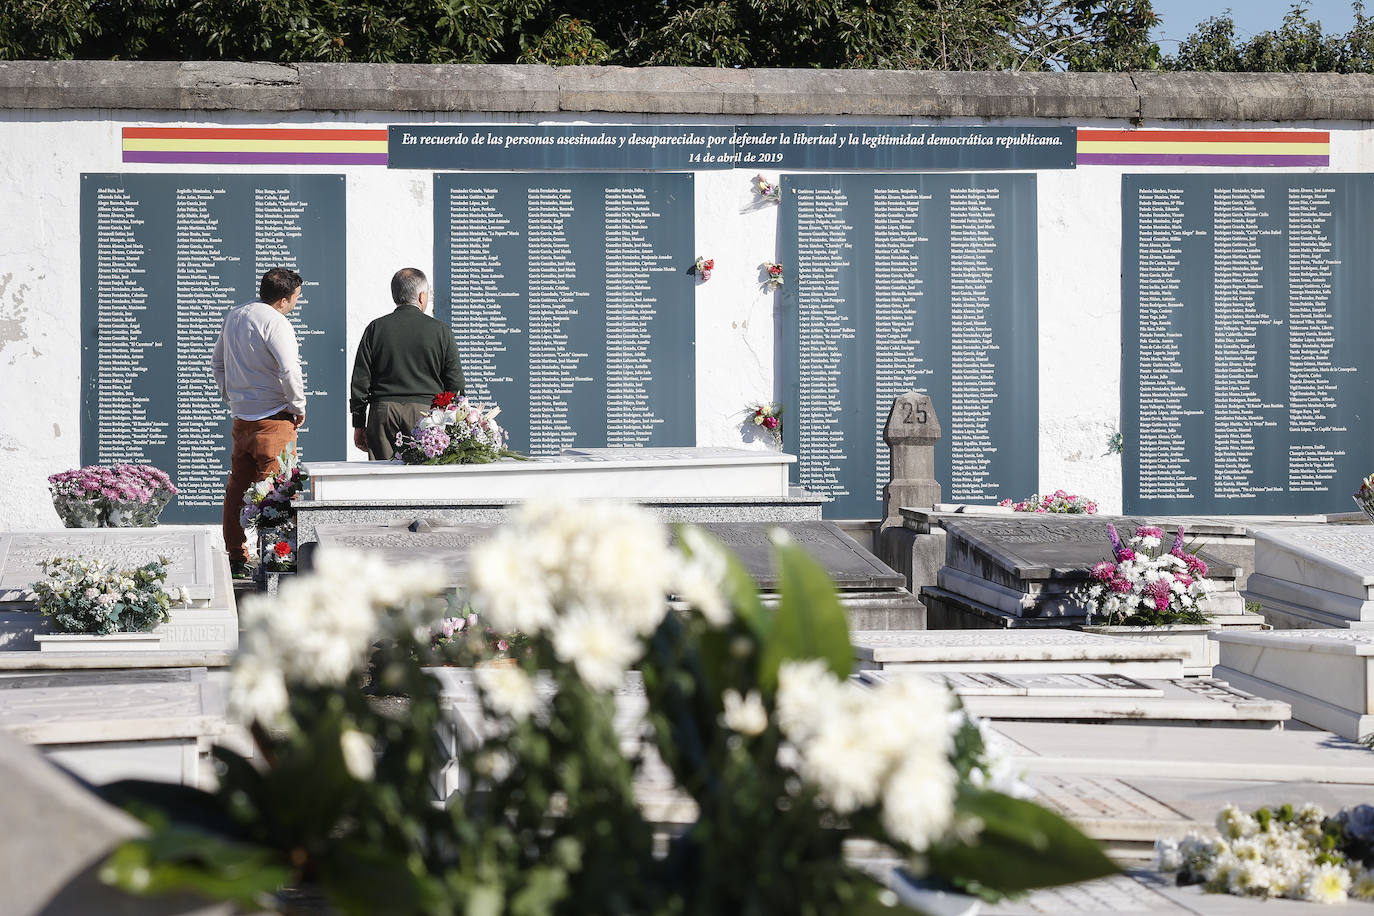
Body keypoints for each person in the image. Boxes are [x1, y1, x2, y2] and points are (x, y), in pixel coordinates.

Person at [212, 267, 305, 577]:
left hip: (242, 421)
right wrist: (298, 405)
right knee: (277, 494)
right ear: (282, 300)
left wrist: (233, 397)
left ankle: (236, 557)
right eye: (295, 298)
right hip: (275, 420)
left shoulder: (235, 316)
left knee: (237, 491)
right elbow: (289, 371)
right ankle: (278, 561)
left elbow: (218, 363)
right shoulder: (277, 323)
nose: (295, 304)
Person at [349, 267, 465, 459]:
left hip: (383, 414)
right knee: (424, 479)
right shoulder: (441, 331)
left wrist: (359, 422)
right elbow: (456, 383)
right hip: (426, 414)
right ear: (421, 296)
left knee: (383, 480)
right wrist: (455, 420)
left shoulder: (376, 328)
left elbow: (360, 381)